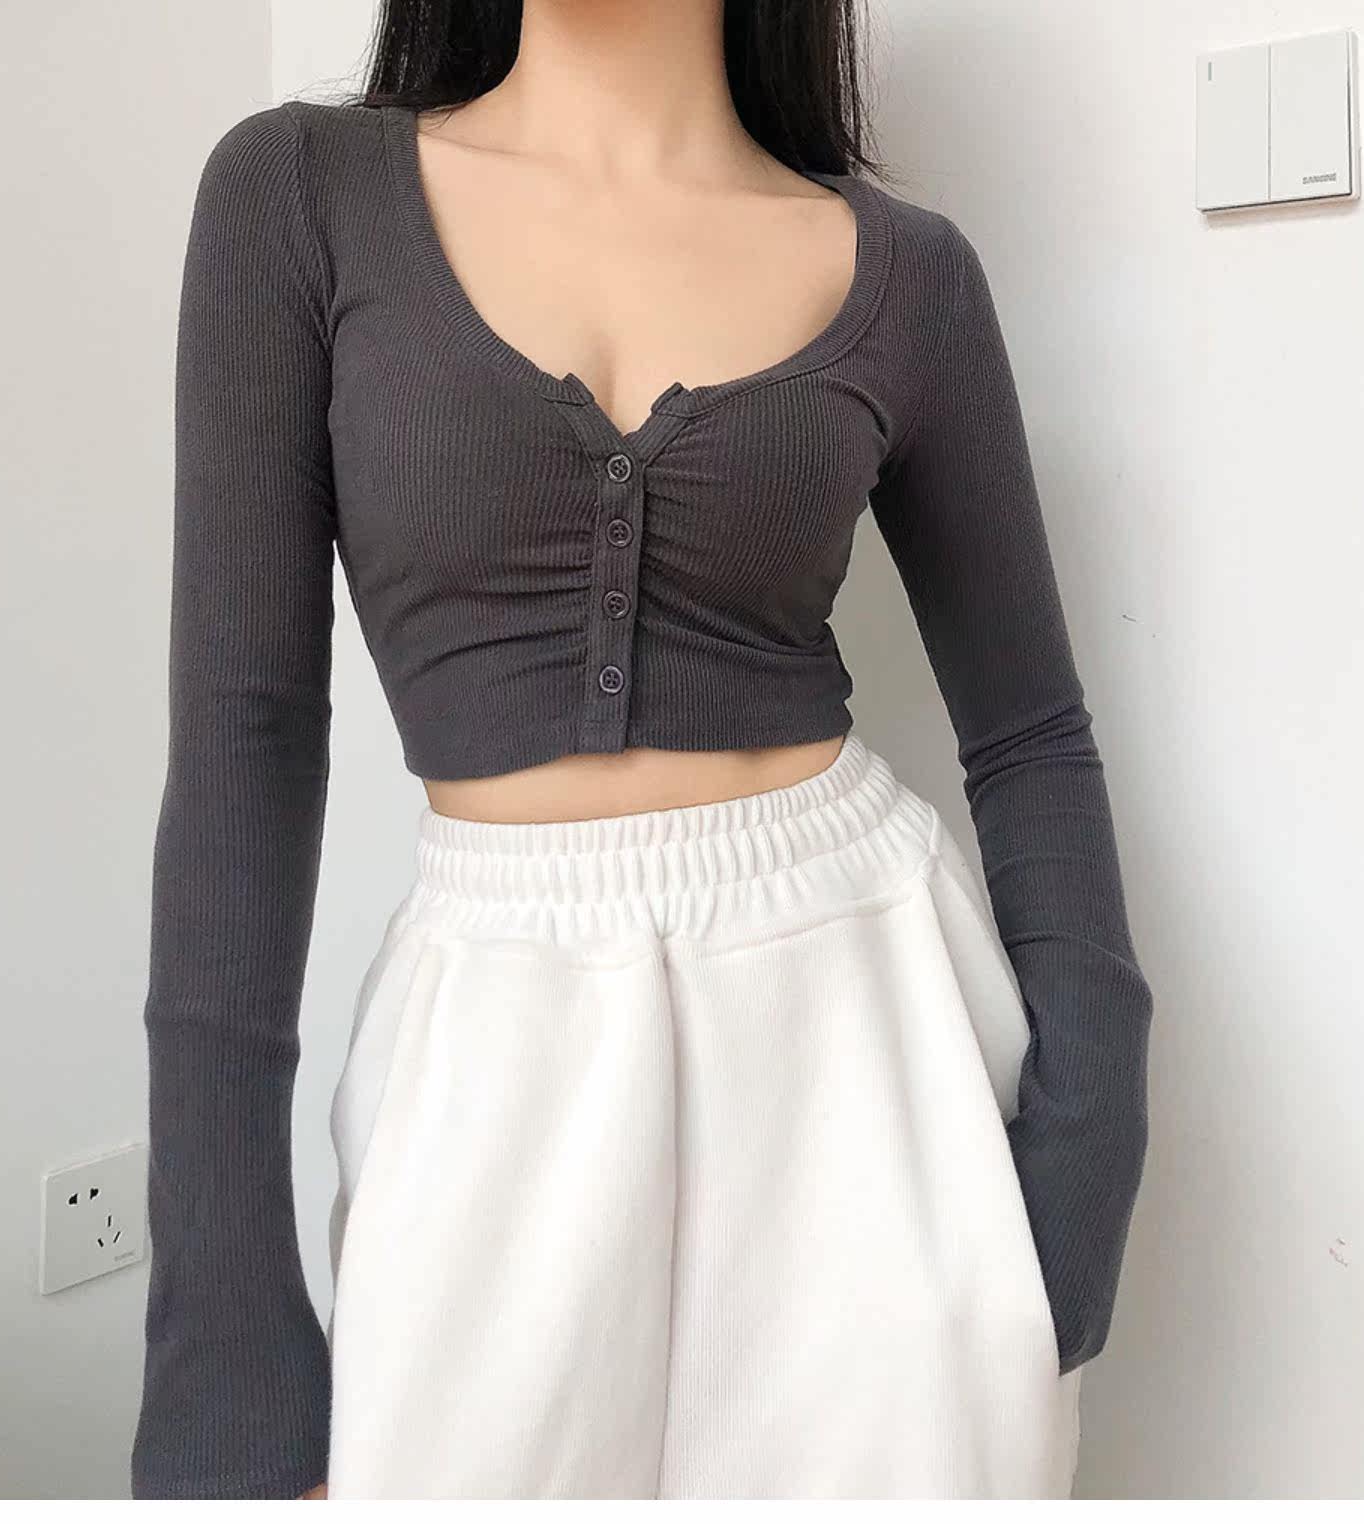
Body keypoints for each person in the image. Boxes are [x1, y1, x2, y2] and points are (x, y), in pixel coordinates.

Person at [131, 0, 1153, 1501]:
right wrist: (220, 1323)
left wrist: (1088, 1142)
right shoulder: (295, 197)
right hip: (495, 1032)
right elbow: (244, 743)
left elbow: (1031, 732)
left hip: (868, 1043)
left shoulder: (910, 271)